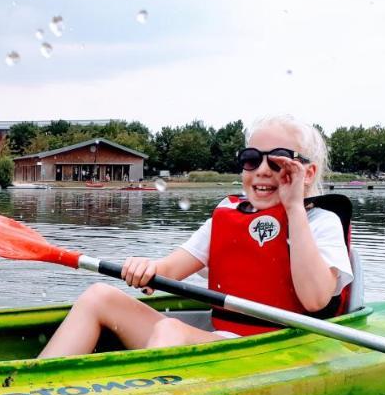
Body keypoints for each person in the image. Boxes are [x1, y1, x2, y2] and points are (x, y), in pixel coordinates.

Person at [38, 115, 354, 358]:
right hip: (222, 339)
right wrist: (144, 269)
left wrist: (294, 208)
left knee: (170, 330)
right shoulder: (229, 216)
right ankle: (32, 391)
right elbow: (168, 271)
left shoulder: (320, 223)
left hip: (273, 350)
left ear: (307, 173)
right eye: (251, 159)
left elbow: (315, 300)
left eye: (279, 161)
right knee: (99, 296)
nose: (262, 169)